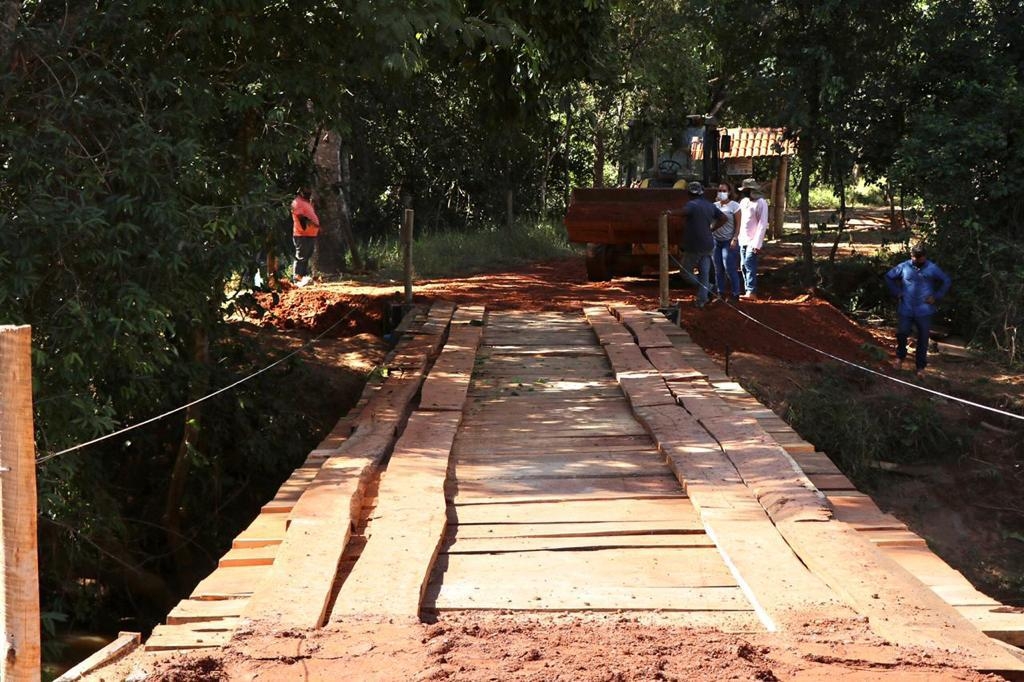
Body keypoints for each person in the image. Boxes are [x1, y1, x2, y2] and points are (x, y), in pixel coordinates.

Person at [885, 244, 951, 376]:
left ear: (925, 257)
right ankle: (900, 358)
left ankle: (920, 367)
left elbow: (946, 280)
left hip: (924, 311)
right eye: (916, 258)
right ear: (912, 256)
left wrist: (936, 296)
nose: (919, 260)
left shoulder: (932, 268)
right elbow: (888, 277)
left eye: (921, 258)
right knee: (902, 333)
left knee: (923, 338)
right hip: (906, 308)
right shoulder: (903, 267)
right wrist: (897, 292)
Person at [664, 181, 726, 308]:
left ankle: (707, 287)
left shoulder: (692, 204)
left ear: (688, 193)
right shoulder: (710, 205)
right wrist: (712, 229)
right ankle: (701, 301)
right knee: (704, 273)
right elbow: (724, 218)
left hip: (695, 245)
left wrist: (669, 212)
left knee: (685, 273)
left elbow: (684, 212)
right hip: (708, 244)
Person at [736, 178, 769, 300]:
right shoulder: (743, 202)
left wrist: (757, 244)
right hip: (742, 239)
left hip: (753, 241)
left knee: (749, 264)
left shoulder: (761, 202)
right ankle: (748, 290)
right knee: (743, 265)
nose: (743, 192)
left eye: (745, 190)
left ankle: (751, 291)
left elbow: (762, 223)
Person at [712, 181, 742, 301]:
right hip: (716, 241)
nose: (722, 193)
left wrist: (735, 238)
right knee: (718, 269)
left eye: (724, 191)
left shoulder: (734, 206)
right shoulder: (714, 205)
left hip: (728, 241)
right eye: (720, 190)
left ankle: (735, 293)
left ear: (729, 192)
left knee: (729, 268)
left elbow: (738, 224)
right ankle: (720, 292)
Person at [290, 186, 320, 287]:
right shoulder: (297, 202)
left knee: (306, 257)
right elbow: (300, 217)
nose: (309, 192)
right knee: (301, 257)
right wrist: (314, 224)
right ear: (301, 192)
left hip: (309, 234)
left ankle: (302, 278)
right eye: (307, 190)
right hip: (302, 235)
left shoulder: (306, 202)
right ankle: (297, 279)